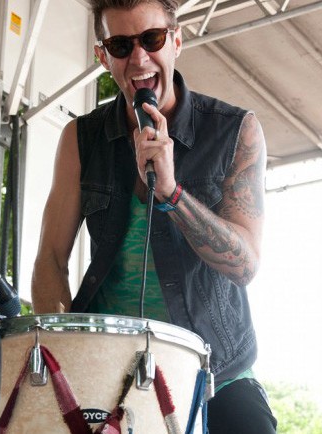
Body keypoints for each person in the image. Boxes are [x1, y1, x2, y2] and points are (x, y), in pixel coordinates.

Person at [31, 0, 277, 432]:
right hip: (103, 363)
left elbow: (245, 264)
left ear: (177, 40)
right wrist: (60, 351)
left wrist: (171, 192)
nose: (139, 58)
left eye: (152, 39)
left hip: (215, 366)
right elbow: (50, 257)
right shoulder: (81, 138)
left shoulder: (235, 130)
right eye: (121, 45)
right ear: (102, 56)